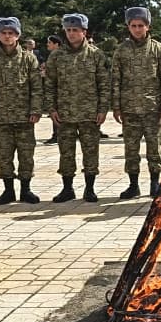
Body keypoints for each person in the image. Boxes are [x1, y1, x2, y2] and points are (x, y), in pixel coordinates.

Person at [0, 16, 44, 204]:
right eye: (3, 33)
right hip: (2, 118)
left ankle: (26, 189)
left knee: (26, 155)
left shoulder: (28, 59)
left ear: (18, 35)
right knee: (4, 155)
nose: (7, 36)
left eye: (11, 33)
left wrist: (36, 110)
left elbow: (36, 87)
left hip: (25, 118)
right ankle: (8, 190)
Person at [46, 13, 108, 203]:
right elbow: (49, 84)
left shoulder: (96, 55)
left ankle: (90, 189)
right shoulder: (57, 56)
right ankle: (67, 189)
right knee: (66, 153)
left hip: (90, 113)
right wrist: (51, 108)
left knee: (90, 152)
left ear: (84, 32)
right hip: (65, 113)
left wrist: (103, 109)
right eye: (68, 30)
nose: (71, 33)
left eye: (75, 30)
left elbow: (104, 84)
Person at [112, 6, 161, 199]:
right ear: (128, 27)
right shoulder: (121, 51)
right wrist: (116, 106)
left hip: (153, 108)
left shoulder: (158, 49)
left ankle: (155, 183)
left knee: (154, 149)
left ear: (148, 26)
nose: (137, 29)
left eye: (141, 25)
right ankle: (133, 185)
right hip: (129, 109)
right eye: (133, 26)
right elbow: (116, 79)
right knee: (131, 150)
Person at [43, 35, 63, 144]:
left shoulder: (59, 55)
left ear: (56, 44)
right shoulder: (53, 55)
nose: (47, 44)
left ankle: (57, 135)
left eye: (50, 42)